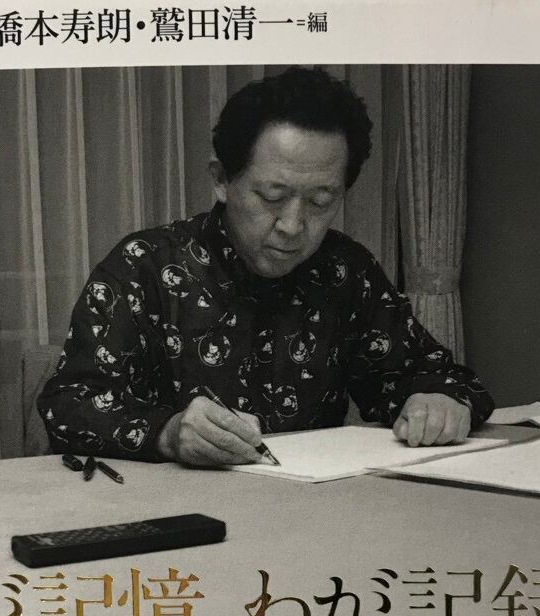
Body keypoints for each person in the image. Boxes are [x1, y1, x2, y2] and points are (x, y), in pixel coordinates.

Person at [39, 67, 493, 465]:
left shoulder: (345, 272)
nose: (293, 226)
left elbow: (432, 374)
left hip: (311, 512)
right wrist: (169, 433)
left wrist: (438, 400)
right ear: (222, 180)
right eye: (273, 197)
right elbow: (69, 405)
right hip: (176, 515)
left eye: (321, 201)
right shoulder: (146, 266)